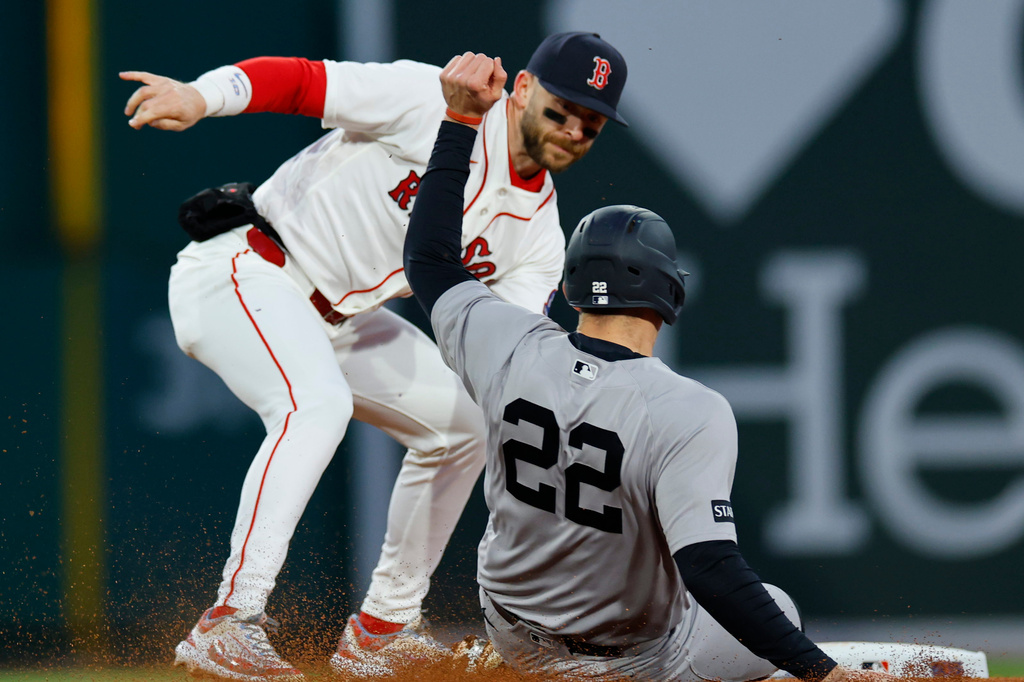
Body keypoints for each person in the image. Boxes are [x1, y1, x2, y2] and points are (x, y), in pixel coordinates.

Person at [120, 32, 628, 680]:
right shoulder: (432, 99)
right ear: (524, 88)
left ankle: (381, 632)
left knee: (465, 425)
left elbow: (503, 353)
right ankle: (230, 621)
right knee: (317, 404)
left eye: (592, 121)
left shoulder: (538, 238)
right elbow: (305, 82)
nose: (574, 127)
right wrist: (202, 95)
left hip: (344, 320)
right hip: (249, 267)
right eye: (563, 107)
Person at [401, 52, 897, 682]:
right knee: (777, 607)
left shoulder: (506, 340)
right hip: (629, 664)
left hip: (510, 635)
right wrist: (823, 673)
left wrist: (459, 119)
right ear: (670, 294)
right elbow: (711, 567)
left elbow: (430, 258)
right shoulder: (688, 410)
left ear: (572, 284)